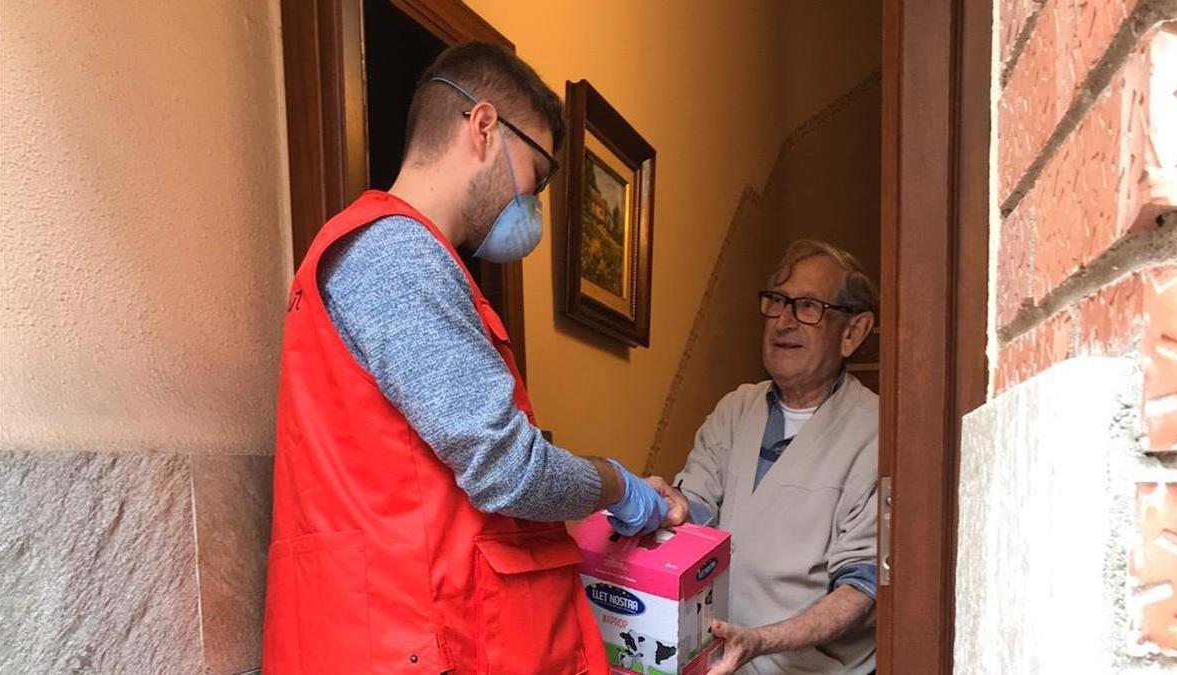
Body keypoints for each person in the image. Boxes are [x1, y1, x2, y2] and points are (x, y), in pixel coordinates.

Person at [262, 42, 682, 674]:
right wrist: (618, 485)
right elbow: (507, 469)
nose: (534, 204)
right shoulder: (395, 256)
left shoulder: (401, 258)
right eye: (536, 176)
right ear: (484, 127)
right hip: (412, 638)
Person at [657, 239, 880, 674]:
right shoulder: (736, 407)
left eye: (808, 306)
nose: (783, 321)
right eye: (777, 301)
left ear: (853, 332)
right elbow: (695, 512)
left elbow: (862, 587)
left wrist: (763, 641)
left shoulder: (876, 429)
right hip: (722, 662)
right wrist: (666, 506)